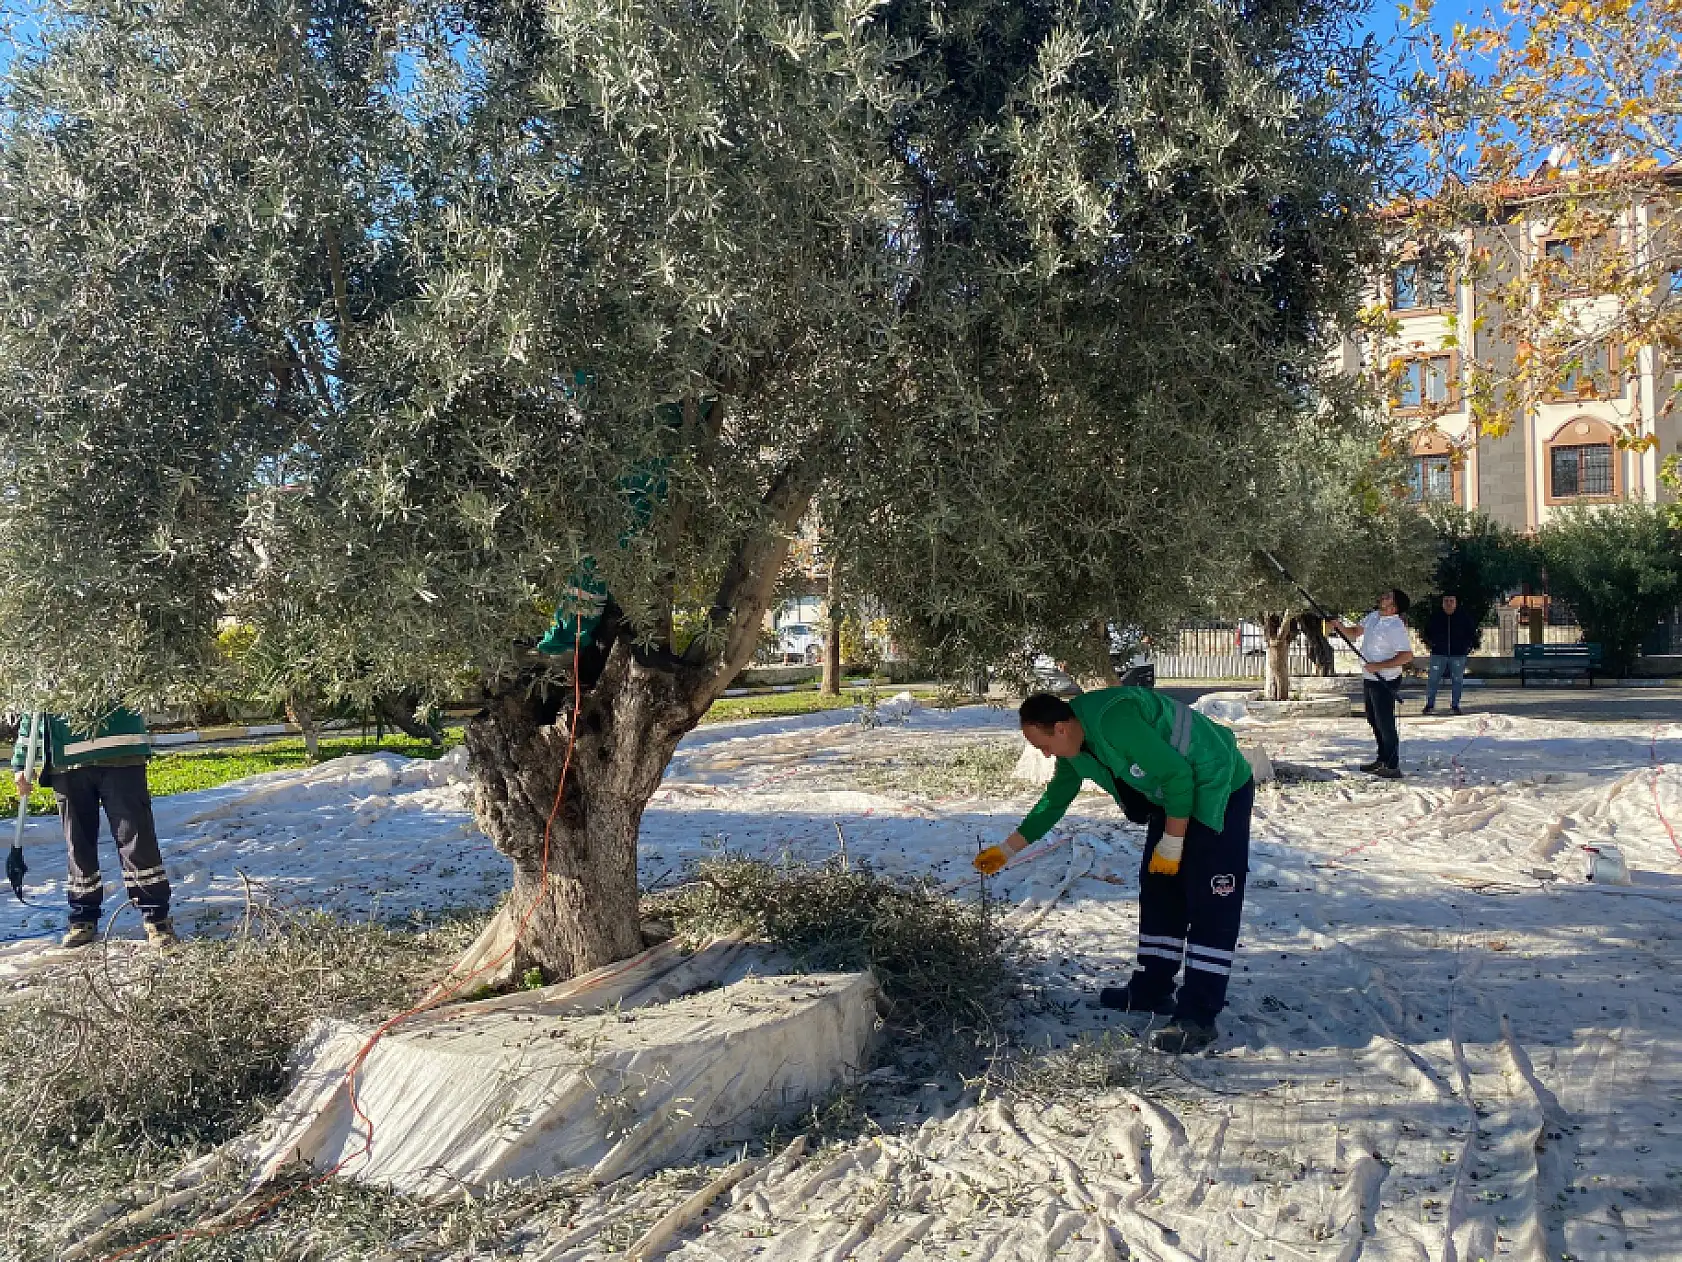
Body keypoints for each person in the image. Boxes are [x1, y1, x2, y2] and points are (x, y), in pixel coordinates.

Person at [974, 689, 1255, 1054]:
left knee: (1210, 899)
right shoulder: (1076, 747)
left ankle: (1198, 1016)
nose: (1044, 754)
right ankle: (1151, 989)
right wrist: (1007, 850)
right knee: (1160, 890)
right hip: (1172, 799)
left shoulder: (1114, 720)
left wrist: (1172, 843)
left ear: (1060, 728)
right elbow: (1054, 800)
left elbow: (1178, 775)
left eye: (1042, 744)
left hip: (1216, 786)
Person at [11, 707, 177, 949]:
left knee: (136, 839)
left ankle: (157, 919)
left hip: (121, 752)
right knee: (78, 844)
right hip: (67, 763)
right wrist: (21, 761)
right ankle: (83, 916)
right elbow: (34, 699)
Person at [1330, 589, 1414, 778]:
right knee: (1373, 719)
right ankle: (1382, 759)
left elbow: (1407, 655)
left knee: (1385, 723)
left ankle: (1392, 766)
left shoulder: (1395, 627)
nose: (1383, 596)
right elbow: (1354, 633)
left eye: (1388, 597)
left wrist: (1379, 666)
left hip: (1385, 680)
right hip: (1370, 678)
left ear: (1394, 607)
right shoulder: (1373, 616)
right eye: (1384, 595)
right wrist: (1339, 626)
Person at [1421, 593, 1478, 715]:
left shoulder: (1463, 617)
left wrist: (1467, 647)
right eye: (1446, 601)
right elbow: (1426, 632)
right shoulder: (1436, 617)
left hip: (1458, 654)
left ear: (1456, 602)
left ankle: (1455, 705)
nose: (1449, 603)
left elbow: (1471, 633)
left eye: (1451, 601)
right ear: (1442, 603)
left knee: (1457, 680)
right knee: (1433, 679)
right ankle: (1430, 704)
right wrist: (1431, 645)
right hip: (1438, 654)